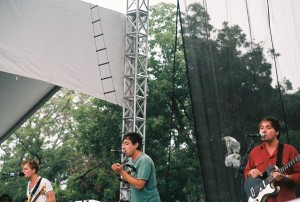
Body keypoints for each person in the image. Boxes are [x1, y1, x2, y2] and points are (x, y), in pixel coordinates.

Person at [244, 116, 300, 202]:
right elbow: (247, 173)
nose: (263, 130)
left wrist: (285, 177)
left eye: (268, 127)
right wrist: (250, 173)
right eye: (261, 128)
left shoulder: (289, 150)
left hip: (285, 199)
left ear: (277, 132)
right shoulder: (254, 152)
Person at [111, 132, 160, 202]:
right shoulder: (130, 161)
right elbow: (130, 182)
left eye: (126, 144)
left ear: (136, 145)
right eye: (123, 144)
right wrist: (121, 173)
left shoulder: (144, 160)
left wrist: (121, 171)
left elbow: (139, 185)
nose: (123, 147)